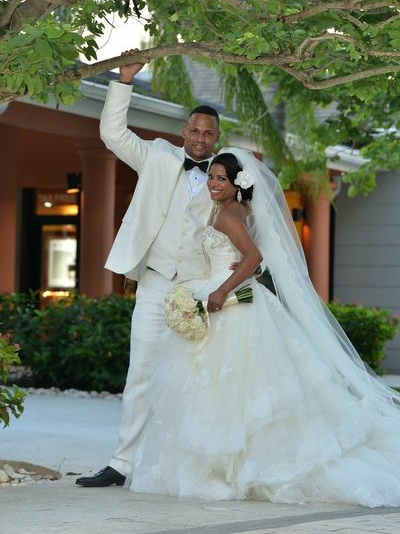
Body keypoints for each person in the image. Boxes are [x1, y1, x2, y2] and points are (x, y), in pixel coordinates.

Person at [128, 148, 400, 507]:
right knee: (236, 390)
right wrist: (228, 282)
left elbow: (254, 257)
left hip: (231, 306)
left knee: (232, 388)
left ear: (237, 183)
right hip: (242, 299)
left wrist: (222, 290)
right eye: (211, 176)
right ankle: (234, 466)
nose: (213, 183)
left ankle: (232, 468)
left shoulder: (228, 215)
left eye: (221, 178)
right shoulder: (238, 210)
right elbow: (253, 266)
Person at [76, 50, 222, 487]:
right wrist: (123, 80)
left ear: (216, 137)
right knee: (140, 368)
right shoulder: (157, 156)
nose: (199, 137)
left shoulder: (227, 173)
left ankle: (191, 461)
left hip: (201, 287)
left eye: (207, 133)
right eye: (193, 129)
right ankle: (122, 463)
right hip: (157, 282)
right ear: (184, 131)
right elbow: (112, 133)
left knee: (200, 375)